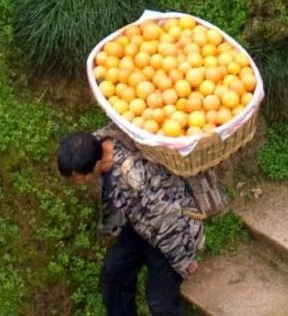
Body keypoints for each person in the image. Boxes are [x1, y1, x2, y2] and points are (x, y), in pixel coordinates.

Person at [57, 129, 201, 315]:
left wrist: (183, 260)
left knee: (160, 302)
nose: (79, 183)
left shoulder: (133, 178)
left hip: (173, 231)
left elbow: (168, 220)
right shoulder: (99, 142)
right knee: (113, 276)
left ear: (98, 164)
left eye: (80, 178)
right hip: (140, 223)